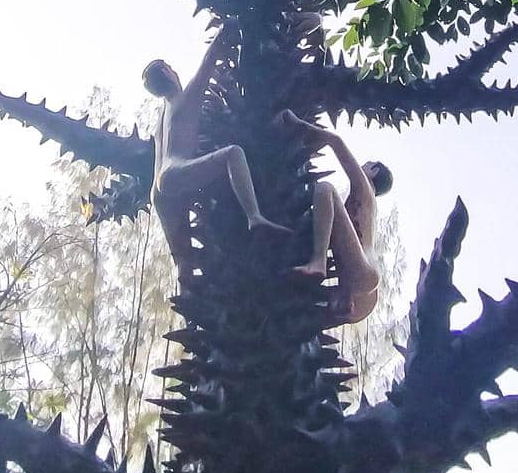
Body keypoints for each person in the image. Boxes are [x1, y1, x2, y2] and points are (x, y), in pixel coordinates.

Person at [144, 30, 291, 277]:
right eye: (169, 68)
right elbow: (208, 62)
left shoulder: (163, 115)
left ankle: (189, 306)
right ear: (169, 74)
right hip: (175, 173)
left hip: (158, 190)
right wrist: (228, 30)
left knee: (184, 261)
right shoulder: (183, 99)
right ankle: (254, 216)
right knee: (233, 153)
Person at [277, 110, 392, 323]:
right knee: (297, 309)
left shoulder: (366, 189)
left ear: (374, 170)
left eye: (367, 165)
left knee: (325, 189)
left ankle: (317, 261)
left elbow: (335, 141)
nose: (362, 166)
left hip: (364, 274)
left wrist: (301, 126)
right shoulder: (363, 206)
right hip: (360, 287)